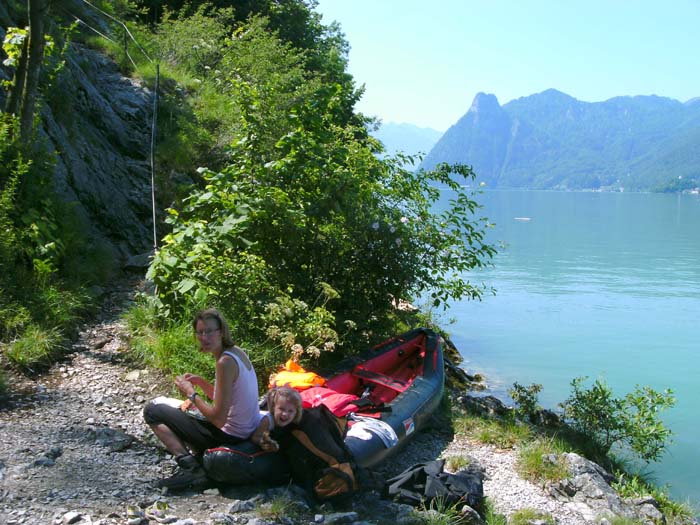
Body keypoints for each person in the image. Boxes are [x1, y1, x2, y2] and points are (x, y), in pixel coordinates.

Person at [143, 308, 260, 490]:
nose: (204, 337)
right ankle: (196, 460)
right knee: (186, 410)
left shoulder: (225, 363)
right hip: (246, 430)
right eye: (200, 332)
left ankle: (191, 469)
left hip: (230, 436)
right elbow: (228, 399)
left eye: (209, 332)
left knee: (152, 411)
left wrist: (191, 393)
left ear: (221, 332)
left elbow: (218, 419)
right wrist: (201, 383)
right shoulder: (235, 352)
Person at [250, 386, 304, 451]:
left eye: (290, 411)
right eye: (281, 409)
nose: (285, 414)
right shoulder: (266, 420)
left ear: (296, 413)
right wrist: (266, 443)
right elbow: (255, 438)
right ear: (273, 407)